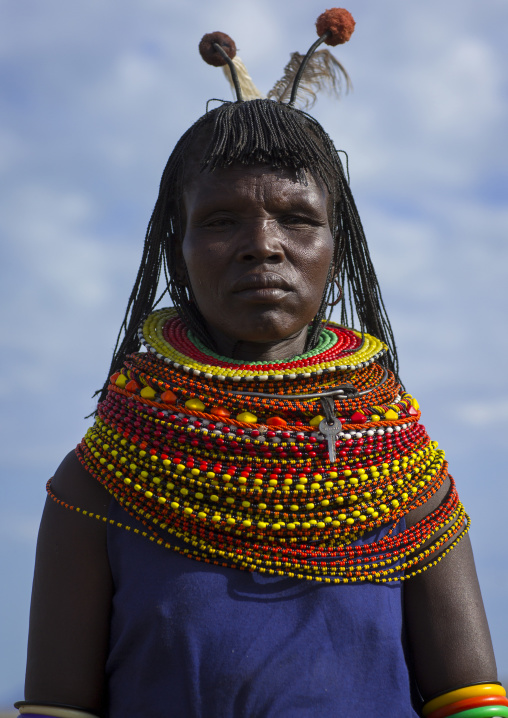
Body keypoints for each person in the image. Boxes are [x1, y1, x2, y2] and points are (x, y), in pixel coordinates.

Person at [17, 9, 504, 718]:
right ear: (176, 254)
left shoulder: (407, 477)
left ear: (338, 250)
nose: (263, 245)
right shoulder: (96, 483)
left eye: (297, 218)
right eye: (220, 221)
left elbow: (471, 703)